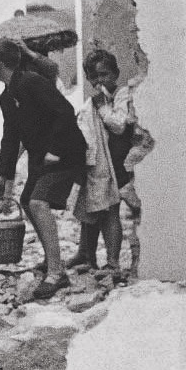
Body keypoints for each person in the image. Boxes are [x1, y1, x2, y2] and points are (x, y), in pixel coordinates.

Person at [0, 39, 87, 300]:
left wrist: (54, 150)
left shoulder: (32, 81)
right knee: (27, 202)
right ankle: (49, 259)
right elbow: (10, 137)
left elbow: (65, 110)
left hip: (64, 153)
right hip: (41, 158)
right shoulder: (7, 96)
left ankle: (57, 273)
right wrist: (2, 175)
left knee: (38, 202)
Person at [68, 50, 144, 277]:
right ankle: (86, 254)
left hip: (117, 163)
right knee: (91, 204)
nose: (100, 80)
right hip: (99, 163)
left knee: (110, 209)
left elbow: (119, 125)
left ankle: (112, 262)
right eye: (94, 76)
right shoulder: (96, 101)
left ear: (116, 74)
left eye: (105, 74)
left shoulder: (122, 96)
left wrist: (102, 107)